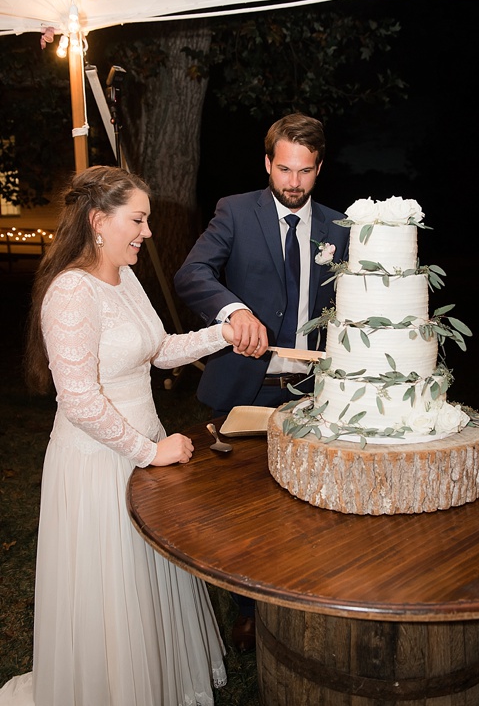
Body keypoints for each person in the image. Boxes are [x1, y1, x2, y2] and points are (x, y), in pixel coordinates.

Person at [0, 166, 236, 706]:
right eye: (139, 220)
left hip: (142, 449)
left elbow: (156, 349)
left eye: (146, 220)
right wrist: (150, 453)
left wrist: (221, 335)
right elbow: (80, 401)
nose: (147, 233)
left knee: (146, 583)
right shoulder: (70, 293)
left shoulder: (124, 275)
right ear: (97, 220)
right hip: (99, 461)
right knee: (110, 590)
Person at [174, 112, 350, 651]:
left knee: (306, 505)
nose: (293, 184)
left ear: (319, 168)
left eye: (305, 172)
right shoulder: (234, 211)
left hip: (313, 392)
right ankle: (247, 610)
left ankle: (304, 596)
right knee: (240, 510)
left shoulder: (340, 227)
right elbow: (192, 274)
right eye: (284, 170)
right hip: (245, 387)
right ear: (268, 163)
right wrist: (233, 311)